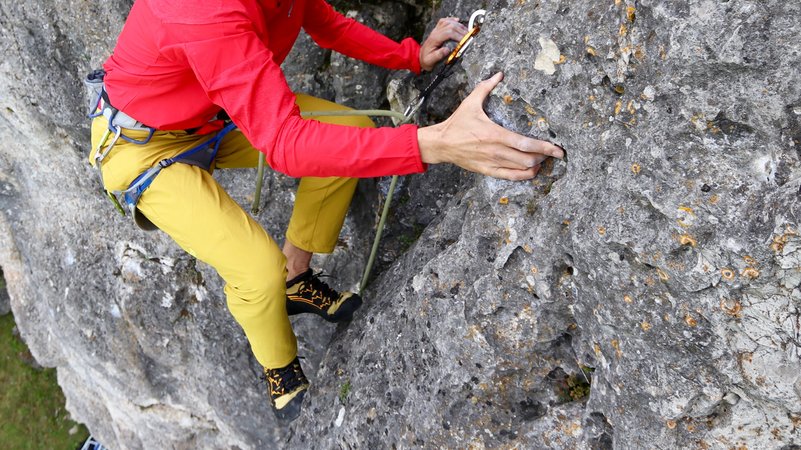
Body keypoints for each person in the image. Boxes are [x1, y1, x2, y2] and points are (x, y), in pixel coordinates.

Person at [90, 0, 564, 422]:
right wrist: (434, 143)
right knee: (256, 271)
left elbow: (324, 22)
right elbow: (285, 144)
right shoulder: (203, 12)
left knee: (348, 134)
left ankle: (297, 278)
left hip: (210, 115)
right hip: (141, 148)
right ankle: (278, 368)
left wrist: (410, 56)